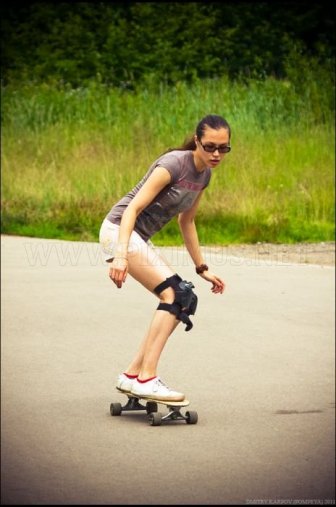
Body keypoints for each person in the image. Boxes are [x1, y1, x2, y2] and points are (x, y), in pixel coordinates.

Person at [99, 114, 230, 402]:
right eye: (209, 147)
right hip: (118, 231)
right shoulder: (174, 164)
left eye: (223, 148)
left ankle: (132, 376)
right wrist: (120, 257)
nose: (216, 154)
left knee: (186, 298)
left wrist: (202, 268)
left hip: (134, 239)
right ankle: (147, 377)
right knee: (174, 294)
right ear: (196, 141)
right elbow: (131, 210)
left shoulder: (205, 175)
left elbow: (188, 222)